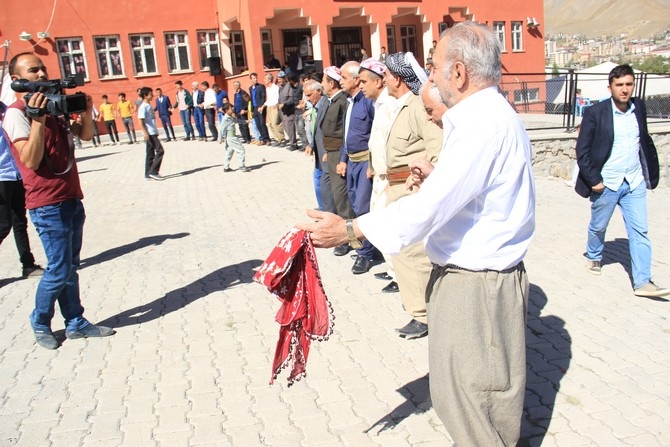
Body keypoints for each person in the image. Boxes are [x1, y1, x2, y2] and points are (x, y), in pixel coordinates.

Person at [296, 22, 535, 446]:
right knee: (479, 392)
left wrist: (351, 228)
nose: (432, 74)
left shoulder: (481, 122)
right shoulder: (488, 115)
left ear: (458, 72)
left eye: (436, 65)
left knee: (469, 396)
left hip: (476, 284)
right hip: (476, 279)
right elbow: (469, 191)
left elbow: (428, 210)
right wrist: (439, 174)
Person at [3, 52, 115, 349]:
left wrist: (87, 112)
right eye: (32, 70)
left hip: (71, 198)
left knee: (70, 266)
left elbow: (87, 136)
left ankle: (75, 322)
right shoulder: (17, 113)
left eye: (42, 68)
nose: (41, 73)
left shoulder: (55, 104)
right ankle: (40, 321)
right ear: (17, 80)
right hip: (46, 203)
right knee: (58, 268)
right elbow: (30, 158)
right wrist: (37, 121)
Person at [575, 64, 668, 298]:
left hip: (633, 181)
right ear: (610, 87)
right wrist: (594, 180)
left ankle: (643, 281)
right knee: (599, 226)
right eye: (619, 85)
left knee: (640, 231)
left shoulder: (639, 108)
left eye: (628, 84)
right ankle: (594, 256)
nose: (624, 90)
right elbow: (582, 150)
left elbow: (643, 142)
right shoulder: (596, 113)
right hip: (607, 183)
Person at [381, 52, 444, 339]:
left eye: (385, 74)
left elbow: (436, 148)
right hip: (397, 187)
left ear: (397, 77)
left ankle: (426, 315)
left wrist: (425, 185)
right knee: (402, 253)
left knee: (413, 253)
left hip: (413, 189)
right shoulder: (404, 105)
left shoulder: (420, 105)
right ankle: (417, 310)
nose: (383, 79)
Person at [358, 58, 397, 293]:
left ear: (379, 81)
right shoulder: (378, 104)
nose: (360, 86)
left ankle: (400, 276)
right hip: (381, 173)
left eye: (364, 81)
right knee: (381, 221)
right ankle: (393, 270)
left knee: (389, 224)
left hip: (392, 176)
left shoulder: (390, 104)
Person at [339, 60, 376, 275]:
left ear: (355, 79)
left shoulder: (367, 103)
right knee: (353, 206)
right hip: (351, 161)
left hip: (364, 163)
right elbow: (347, 135)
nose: (340, 81)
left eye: (343, 77)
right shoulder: (350, 102)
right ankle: (359, 246)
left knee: (363, 209)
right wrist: (343, 159)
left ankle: (365, 254)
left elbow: (376, 135)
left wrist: (372, 163)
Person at [0, 101, 43, 279]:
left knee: (20, 221)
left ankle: (28, 264)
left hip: (17, 174)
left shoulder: (8, 110)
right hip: (1, 176)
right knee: (3, 225)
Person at [320, 66, 354, 257]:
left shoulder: (343, 101)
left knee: (342, 198)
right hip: (332, 152)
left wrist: (341, 156)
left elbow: (344, 132)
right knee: (336, 194)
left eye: (324, 81)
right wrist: (327, 151)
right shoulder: (333, 101)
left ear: (331, 83)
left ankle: (349, 238)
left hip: (340, 153)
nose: (322, 85)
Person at [303, 79, 333, 212]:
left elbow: (331, 130)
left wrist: (329, 150)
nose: (307, 99)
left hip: (327, 153)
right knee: (318, 183)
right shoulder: (314, 108)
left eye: (309, 95)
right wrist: (311, 145)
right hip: (319, 153)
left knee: (325, 185)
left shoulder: (326, 105)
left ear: (319, 91)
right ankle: (323, 209)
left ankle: (328, 212)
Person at [137, 87, 165, 181]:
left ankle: (147, 174)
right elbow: (140, 121)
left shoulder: (148, 105)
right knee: (160, 150)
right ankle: (154, 171)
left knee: (150, 153)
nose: (152, 95)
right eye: (150, 93)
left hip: (153, 132)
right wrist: (145, 133)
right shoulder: (143, 106)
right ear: (145, 95)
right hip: (149, 133)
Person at [219, 103, 250, 173]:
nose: (232, 109)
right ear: (227, 110)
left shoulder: (230, 117)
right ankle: (242, 166)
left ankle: (226, 167)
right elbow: (221, 129)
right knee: (241, 149)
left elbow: (236, 121)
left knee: (229, 152)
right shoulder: (225, 119)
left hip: (230, 138)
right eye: (231, 108)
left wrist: (245, 121)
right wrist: (220, 139)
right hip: (231, 137)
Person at [278, 72, 298, 150]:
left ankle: (294, 144)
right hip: (282, 111)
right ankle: (291, 141)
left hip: (289, 110)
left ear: (284, 79)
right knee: (286, 127)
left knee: (290, 127)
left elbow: (291, 98)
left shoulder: (289, 86)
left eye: (280, 79)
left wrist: (284, 104)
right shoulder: (280, 87)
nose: (279, 80)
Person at [249, 72, 270, 145]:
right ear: (251, 80)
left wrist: (261, 106)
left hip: (260, 107)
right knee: (257, 124)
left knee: (262, 123)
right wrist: (251, 109)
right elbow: (251, 99)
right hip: (254, 108)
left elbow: (263, 97)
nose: (255, 79)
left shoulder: (261, 86)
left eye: (256, 78)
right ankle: (262, 139)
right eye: (254, 78)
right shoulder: (250, 88)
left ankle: (267, 139)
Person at [264, 73, 284, 145]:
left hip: (274, 106)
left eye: (266, 79)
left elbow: (278, 97)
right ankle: (277, 139)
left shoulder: (275, 87)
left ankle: (281, 138)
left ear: (269, 80)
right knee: (270, 124)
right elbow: (269, 99)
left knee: (276, 123)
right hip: (269, 106)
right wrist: (263, 106)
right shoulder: (267, 89)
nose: (264, 80)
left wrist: (277, 104)